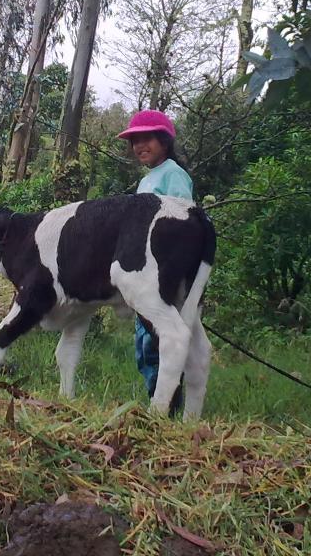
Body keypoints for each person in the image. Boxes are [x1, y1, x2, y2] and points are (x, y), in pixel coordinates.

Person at [117, 109, 193, 415]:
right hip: (144, 277)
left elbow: (183, 221)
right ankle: (158, 403)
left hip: (164, 275)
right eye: (135, 141)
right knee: (145, 345)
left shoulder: (174, 175)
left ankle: (168, 408)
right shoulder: (147, 181)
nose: (140, 146)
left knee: (161, 343)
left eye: (147, 138)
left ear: (164, 141)